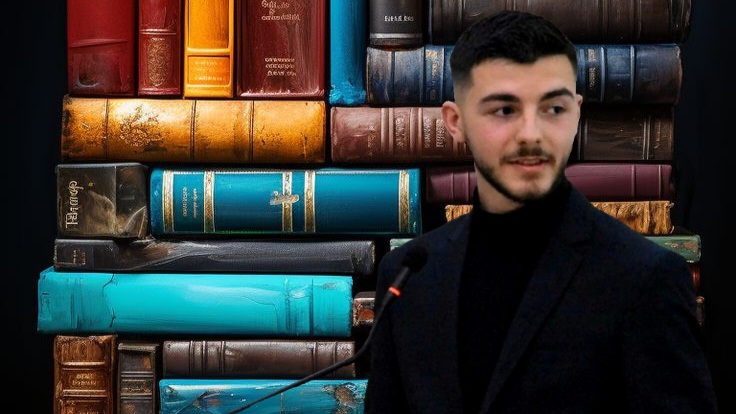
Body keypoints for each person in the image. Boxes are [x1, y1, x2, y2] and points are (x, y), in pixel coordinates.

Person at [364, 10, 718, 414]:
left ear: (577, 114)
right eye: (504, 110)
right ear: (455, 123)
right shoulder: (406, 276)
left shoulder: (647, 278)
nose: (532, 134)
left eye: (554, 109)